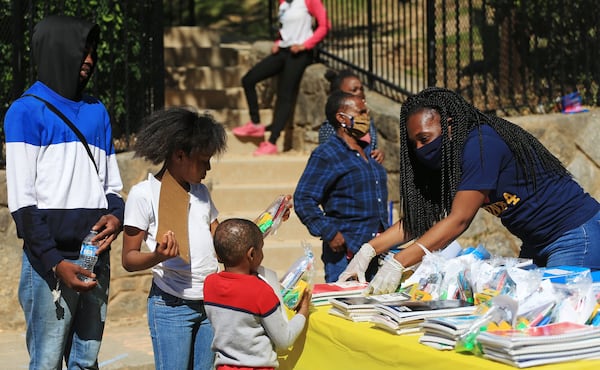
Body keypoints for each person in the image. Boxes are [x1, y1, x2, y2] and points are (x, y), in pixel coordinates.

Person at [338, 87, 600, 294]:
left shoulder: (481, 145)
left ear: (450, 126)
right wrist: (368, 250)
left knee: (559, 319)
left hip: (574, 234)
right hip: (536, 242)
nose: (419, 149)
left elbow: (458, 219)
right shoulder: (449, 157)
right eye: (414, 142)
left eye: (425, 138)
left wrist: (399, 262)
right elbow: (422, 220)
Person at [4, 15, 125, 369]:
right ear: (57, 51)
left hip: (94, 258)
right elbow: (22, 204)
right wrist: (56, 264)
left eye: (92, 51)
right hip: (50, 266)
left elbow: (112, 187)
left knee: (87, 361)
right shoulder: (26, 111)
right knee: (46, 361)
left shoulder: (96, 111)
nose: (88, 59)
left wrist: (116, 216)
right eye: (80, 51)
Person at [121, 107, 227, 370]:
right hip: (171, 306)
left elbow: (221, 238)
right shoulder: (143, 194)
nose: (209, 167)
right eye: (203, 160)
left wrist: (261, 225)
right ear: (180, 155)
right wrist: (158, 256)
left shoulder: (201, 192)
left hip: (208, 304)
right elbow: (129, 258)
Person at [294, 90, 389, 282]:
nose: (366, 118)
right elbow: (303, 199)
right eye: (360, 112)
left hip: (377, 250)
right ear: (341, 118)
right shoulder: (327, 154)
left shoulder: (368, 152)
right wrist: (329, 232)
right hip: (347, 252)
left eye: (366, 112)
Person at [203, 218, 311, 370]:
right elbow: (284, 340)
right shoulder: (260, 291)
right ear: (252, 254)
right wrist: (303, 311)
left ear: (218, 255)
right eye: (261, 249)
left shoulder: (209, 283)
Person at [232, 0, 330, 156]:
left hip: (300, 54)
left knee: (284, 96)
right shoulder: (283, 3)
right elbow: (286, 27)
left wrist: (306, 45)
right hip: (283, 51)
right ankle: (256, 124)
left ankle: (272, 142)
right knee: (248, 79)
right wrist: (278, 40)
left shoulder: (309, 1)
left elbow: (324, 26)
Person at [318, 69, 385, 164]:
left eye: (361, 89)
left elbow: (372, 150)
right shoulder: (331, 127)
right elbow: (329, 158)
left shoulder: (367, 121)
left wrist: (378, 154)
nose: (360, 93)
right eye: (354, 90)